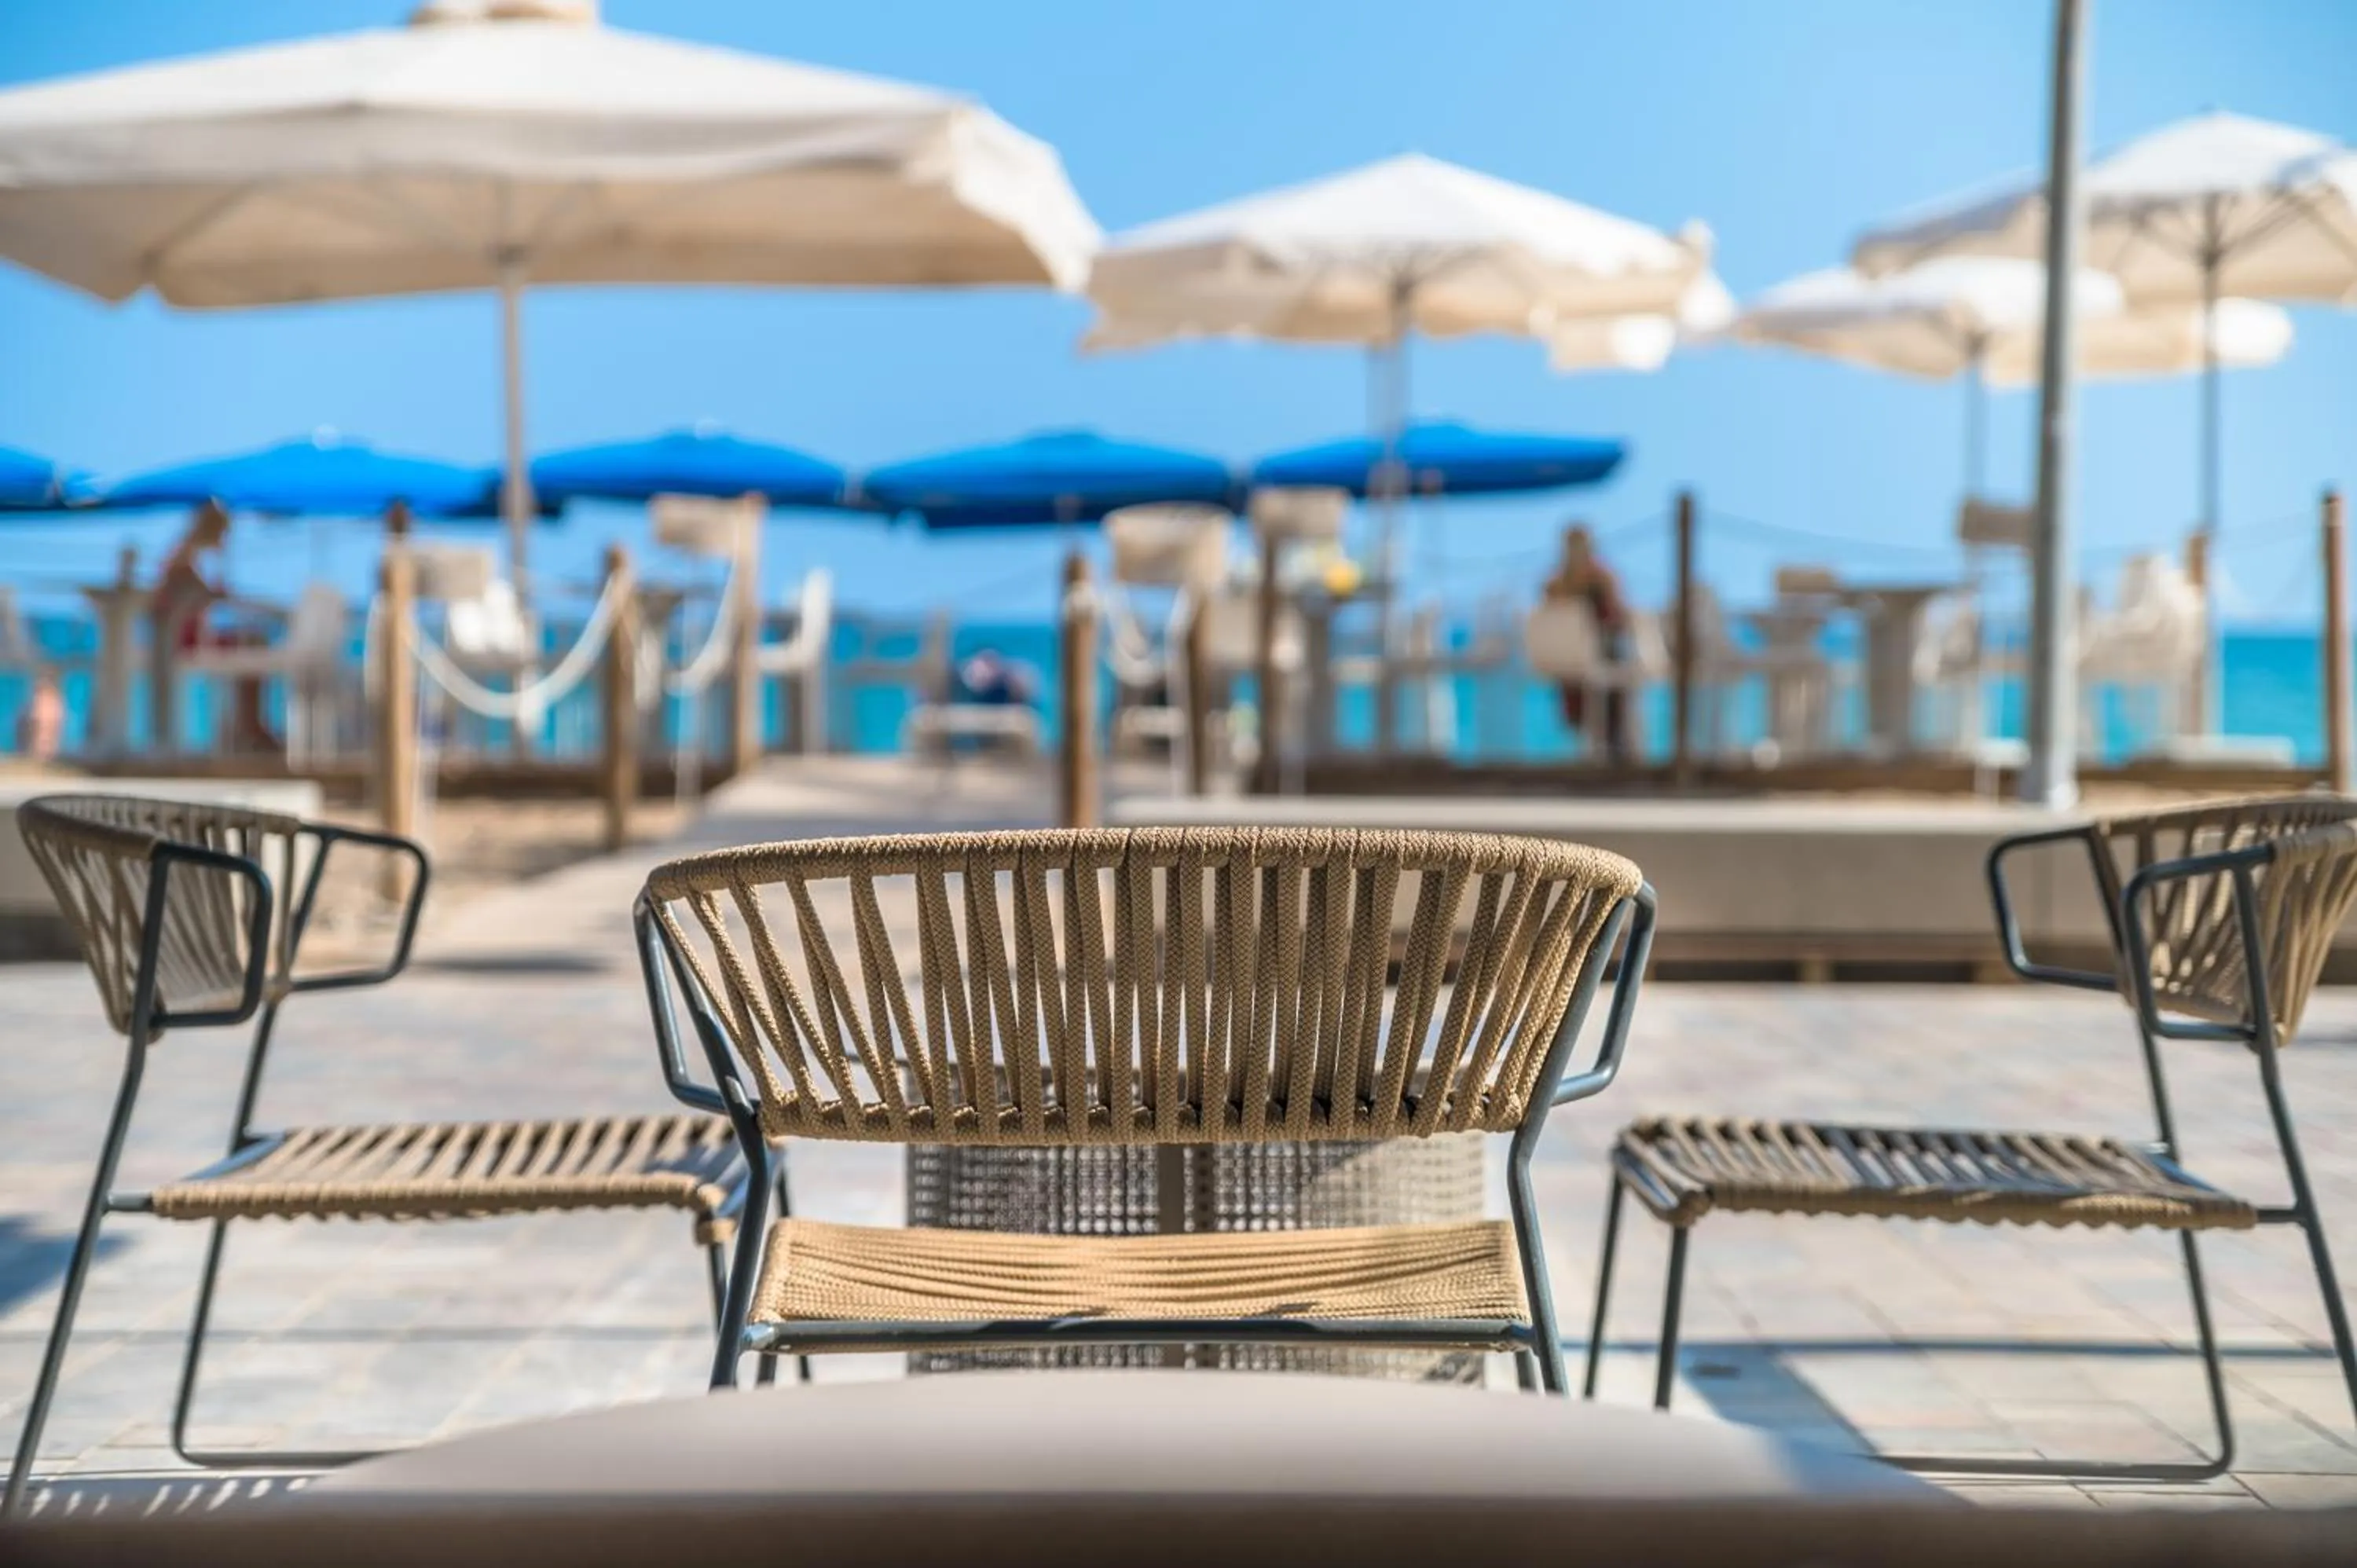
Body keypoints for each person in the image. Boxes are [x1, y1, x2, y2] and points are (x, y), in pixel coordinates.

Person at [1542, 523, 1633, 763]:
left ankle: (1605, 746)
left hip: (1570, 663)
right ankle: (1612, 748)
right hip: (1589, 660)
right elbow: (1617, 618)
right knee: (1618, 668)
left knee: (1613, 666)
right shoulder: (1600, 578)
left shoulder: (1554, 583)